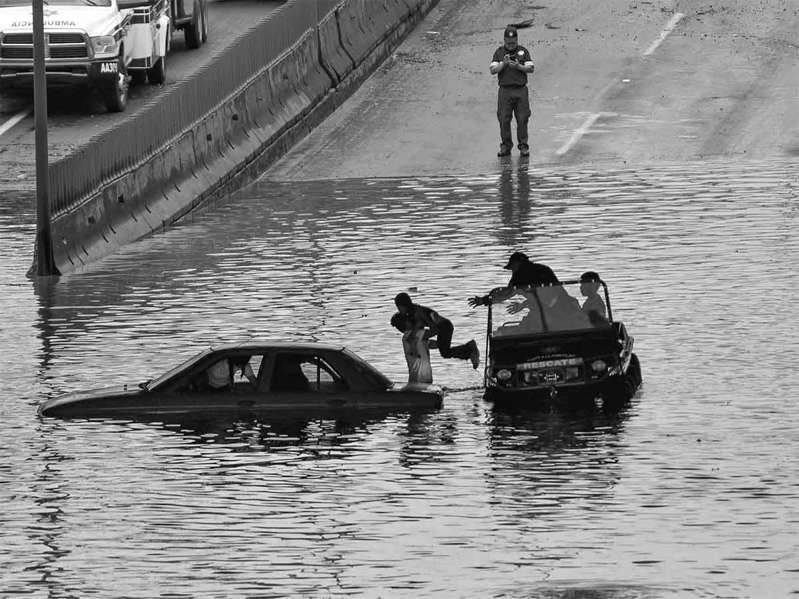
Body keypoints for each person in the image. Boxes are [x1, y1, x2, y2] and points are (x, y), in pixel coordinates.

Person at [394, 292, 480, 369]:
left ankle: (470, 348)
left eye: (399, 308)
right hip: (441, 327)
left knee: (445, 352)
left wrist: (424, 337)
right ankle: (469, 351)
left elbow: (434, 329)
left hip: (444, 326)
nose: (399, 310)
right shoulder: (412, 313)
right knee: (442, 349)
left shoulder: (418, 312)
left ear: (403, 306)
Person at [490, 26, 535, 157]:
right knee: (504, 119)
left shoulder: (523, 51)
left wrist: (518, 66)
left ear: (517, 40)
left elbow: (531, 68)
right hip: (505, 91)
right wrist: (503, 64)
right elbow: (493, 70)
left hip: (520, 90)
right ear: (504, 40)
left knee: (522, 119)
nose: (511, 45)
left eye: (513, 42)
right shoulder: (499, 52)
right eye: (508, 42)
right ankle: (505, 146)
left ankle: (523, 146)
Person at [468, 251, 559, 307]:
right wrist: (524, 305)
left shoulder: (520, 276)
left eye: (512, 268)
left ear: (518, 264)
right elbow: (543, 296)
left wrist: (484, 300)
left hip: (551, 312)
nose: (512, 271)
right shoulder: (543, 268)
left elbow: (505, 294)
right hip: (560, 306)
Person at [391, 312, 433, 384]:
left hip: (420, 381)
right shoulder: (414, 334)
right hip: (419, 381)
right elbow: (435, 330)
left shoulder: (410, 336)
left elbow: (430, 344)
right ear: (407, 323)